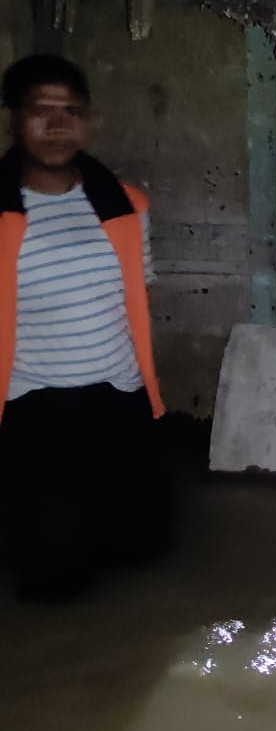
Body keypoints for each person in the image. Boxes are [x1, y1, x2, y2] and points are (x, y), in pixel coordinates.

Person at [0, 54, 172, 600]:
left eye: (71, 111)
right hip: (32, 404)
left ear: (90, 121)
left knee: (144, 548)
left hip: (118, 396)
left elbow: (137, 297)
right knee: (55, 577)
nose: (56, 126)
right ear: (12, 118)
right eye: (40, 111)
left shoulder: (124, 204)